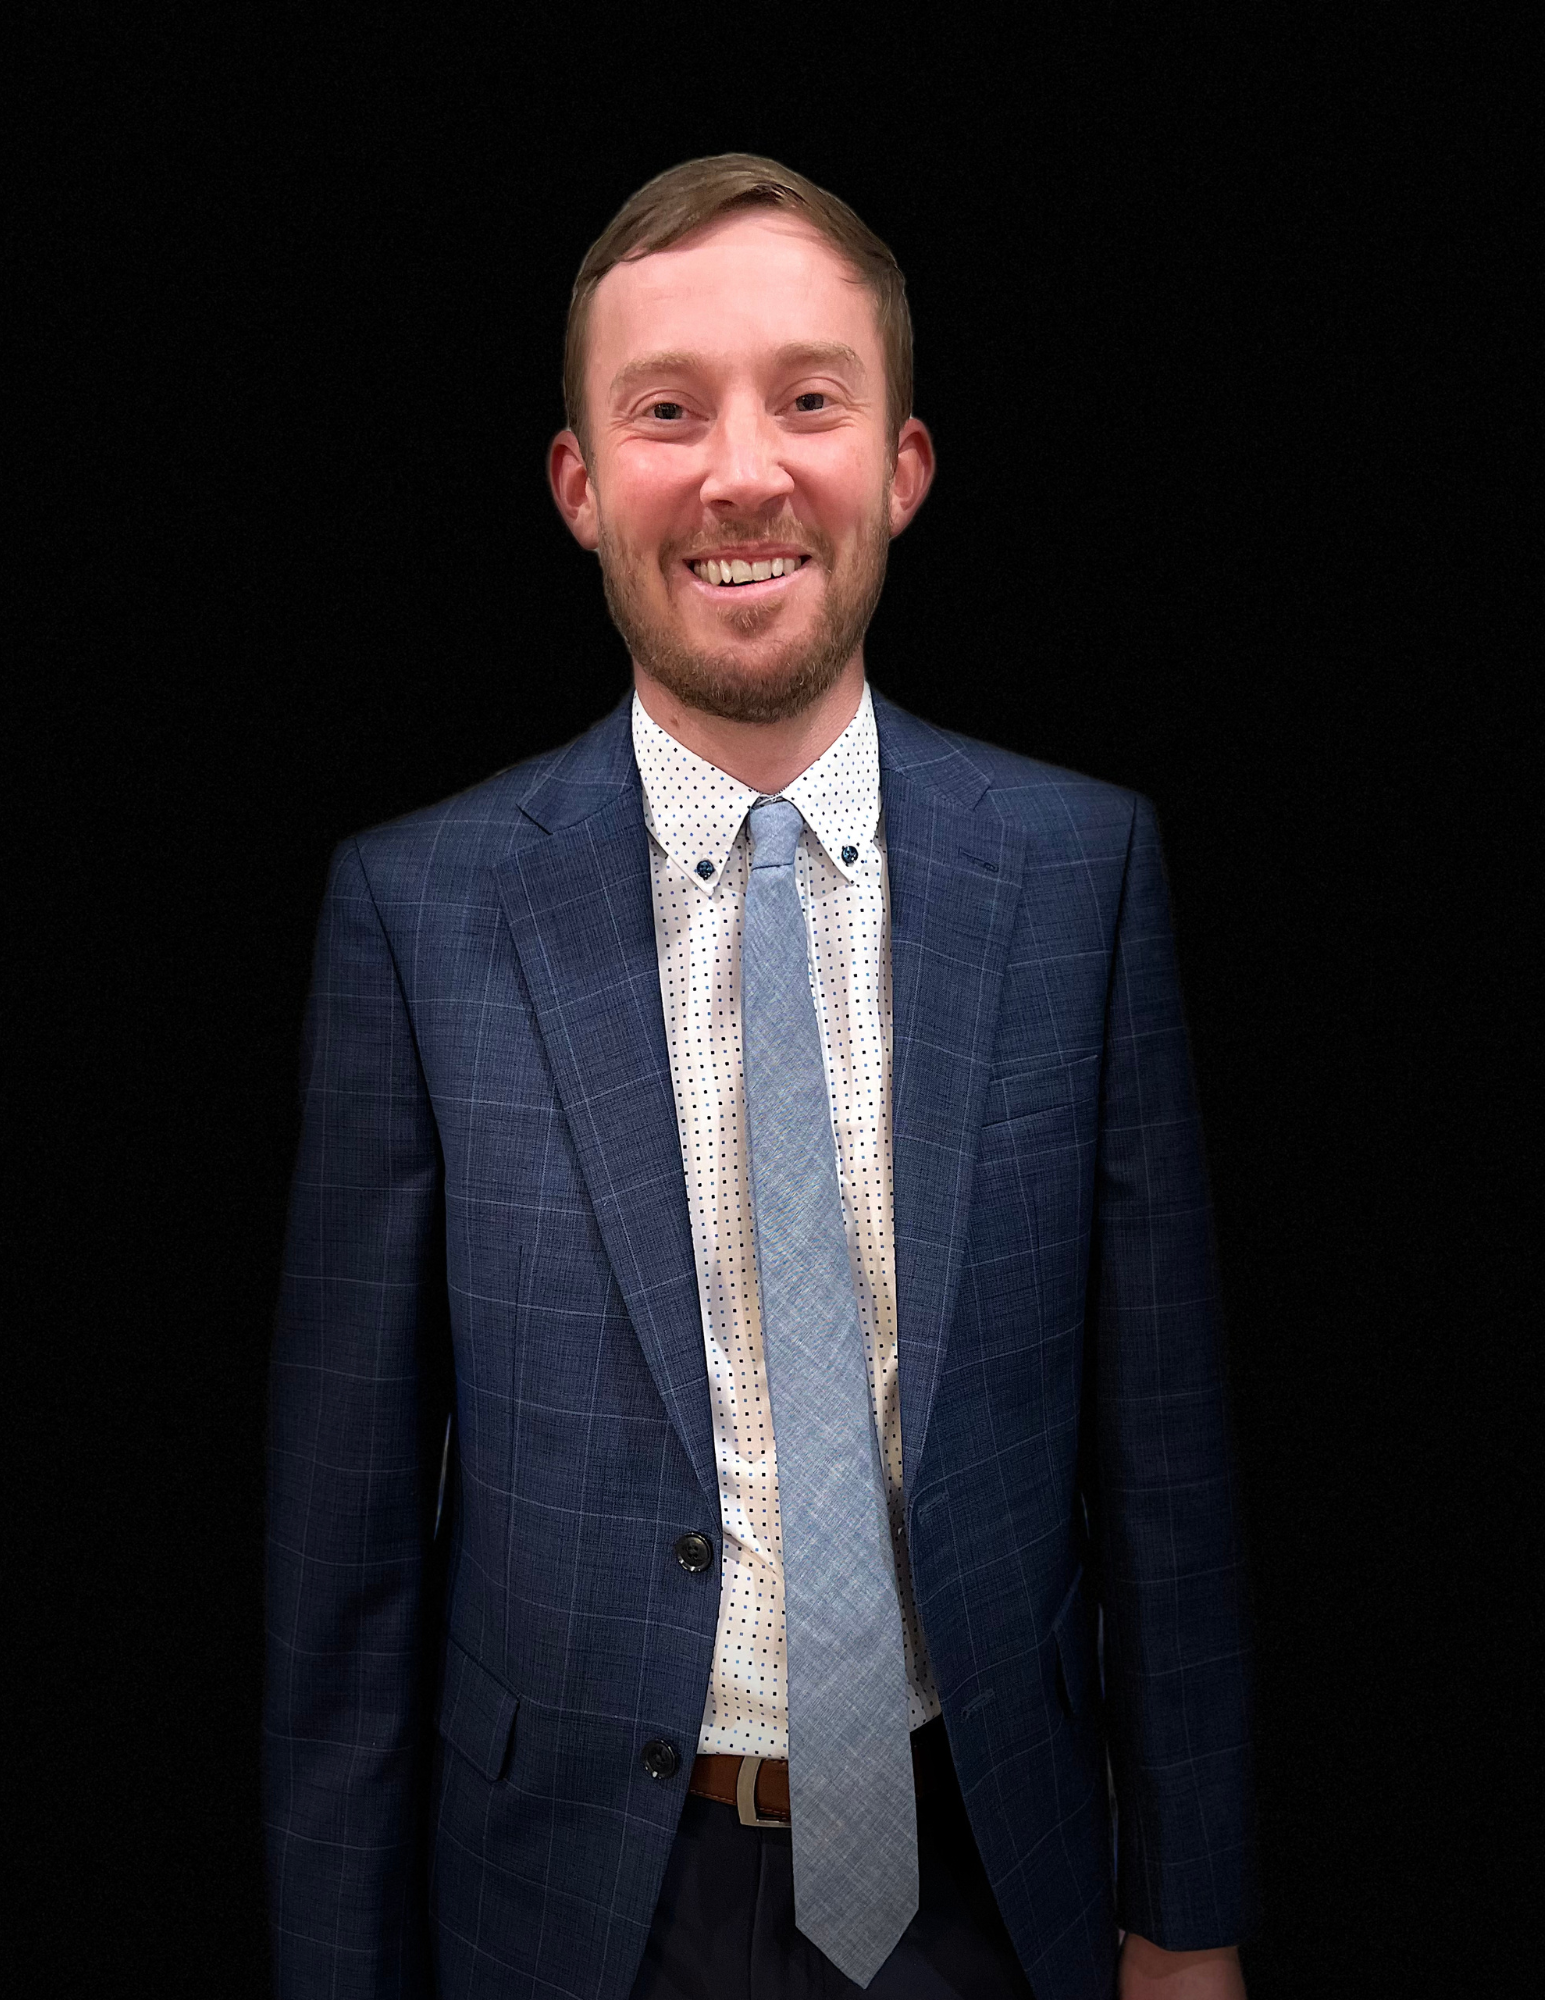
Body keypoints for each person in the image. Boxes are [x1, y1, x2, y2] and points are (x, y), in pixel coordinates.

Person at [264, 154, 1254, 2000]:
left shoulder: (1080, 874)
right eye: (666, 411)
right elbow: (348, 1552)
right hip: (565, 1912)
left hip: (994, 1883)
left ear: (902, 464)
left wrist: (1187, 1926)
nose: (741, 473)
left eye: (810, 399)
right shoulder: (415, 916)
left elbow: (1167, 1464)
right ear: (579, 482)